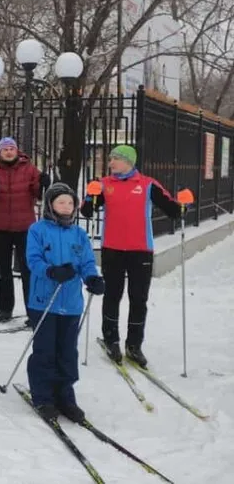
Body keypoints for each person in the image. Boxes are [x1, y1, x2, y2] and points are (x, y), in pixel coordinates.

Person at [80, 145, 182, 367]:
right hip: (113, 249)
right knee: (112, 295)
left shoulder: (147, 185)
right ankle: (111, 339)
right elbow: (87, 212)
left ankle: (134, 345)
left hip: (140, 250)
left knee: (138, 298)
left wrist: (182, 205)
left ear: (128, 161)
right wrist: (91, 196)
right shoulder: (105, 184)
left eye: (114, 159)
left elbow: (172, 209)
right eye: (110, 159)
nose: (110, 163)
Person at [26, 182, 105, 422]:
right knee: (45, 349)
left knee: (67, 351)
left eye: (70, 202)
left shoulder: (79, 234)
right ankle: (43, 395)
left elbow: (87, 262)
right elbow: (33, 259)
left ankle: (65, 395)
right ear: (50, 204)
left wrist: (92, 277)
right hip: (44, 302)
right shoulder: (37, 230)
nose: (66, 206)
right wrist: (51, 271)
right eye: (61, 202)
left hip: (71, 303)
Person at [0, 137, 50, 323]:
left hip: (25, 227)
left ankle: (32, 308)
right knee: (3, 269)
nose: (9, 152)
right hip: (0, 226)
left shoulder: (29, 169)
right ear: (0, 153)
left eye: (11, 148)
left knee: (28, 269)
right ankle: (4, 307)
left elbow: (38, 194)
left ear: (17, 151)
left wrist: (43, 183)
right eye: (5, 149)